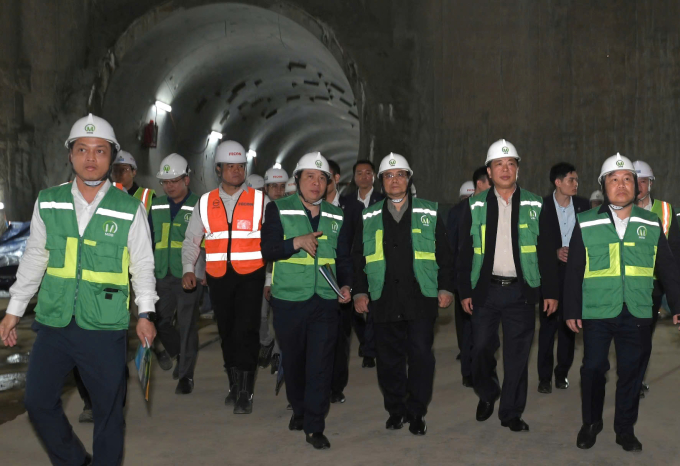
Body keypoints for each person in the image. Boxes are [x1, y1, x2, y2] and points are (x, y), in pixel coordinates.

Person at [0, 114, 158, 465]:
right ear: (70, 154)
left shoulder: (129, 208)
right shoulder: (48, 201)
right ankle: (75, 461)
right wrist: (14, 310)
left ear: (111, 156)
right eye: (82, 149)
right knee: (37, 402)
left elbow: (142, 265)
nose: (90, 157)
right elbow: (35, 258)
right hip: (54, 322)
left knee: (108, 413)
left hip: (104, 326)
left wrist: (146, 314)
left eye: (100, 150)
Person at [564, 153, 680, 452]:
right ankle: (591, 423)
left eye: (627, 179)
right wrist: (572, 309)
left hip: (638, 309)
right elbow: (574, 269)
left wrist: (677, 305)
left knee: (632, 372)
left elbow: (667, 267)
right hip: (597, 310)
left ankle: (625, 429)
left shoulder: (650, 222)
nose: (621, 184)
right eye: (614, 179)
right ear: (604, 186)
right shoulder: (586, 221)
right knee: (592, 368)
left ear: (636, 185)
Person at [458, 139, 558, 432]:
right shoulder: (474, 205)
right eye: (498, 164)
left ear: (518, 169)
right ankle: (488, 392)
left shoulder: (535, 204)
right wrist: (464, 291)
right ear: (489, 172)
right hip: (485, 291)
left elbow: (546, 251)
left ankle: (511, 412)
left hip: (520, 292)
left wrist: (551, 292)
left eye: (510, 164)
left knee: (517, 356)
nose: (505, 169)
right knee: (480, 349)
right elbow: (464, 252)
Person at [354, 153, 455, 436]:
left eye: (400, 174)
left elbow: (445, 254)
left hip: (420, 297)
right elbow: (357, 257)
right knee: (388, 361)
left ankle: (417, 412)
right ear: (381, 181)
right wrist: (360, 291)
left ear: (409, 179)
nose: (394, 180)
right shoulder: (369, 216)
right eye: (388, 175)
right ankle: (396, 410)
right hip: (383, 298)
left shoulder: (429, 212)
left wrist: (445, 287)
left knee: (421, 356)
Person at [261, 152, 352, 450]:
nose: (315, 183)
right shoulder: (278, 209)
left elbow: (344, 258)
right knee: (295, 362)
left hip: (325, 301)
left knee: (320, 365)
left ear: (328, 183)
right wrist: (295, 243)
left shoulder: (337, 215)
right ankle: (299, 410)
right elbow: (268, 249)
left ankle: (315, 425)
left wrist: (346, 285)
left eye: (321, 178)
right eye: (309, 176)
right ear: (297, 179)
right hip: (289, 300)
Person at [182, 140, 267, 414]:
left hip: (251, 275)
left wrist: (269, 279)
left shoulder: (260, 201)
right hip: (218, 277)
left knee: (247, 330)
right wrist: (188, 268)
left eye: (240, 166)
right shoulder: (205, 202)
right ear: (218, 169)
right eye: (230, 166)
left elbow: (273, 242)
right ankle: (233, 383)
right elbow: (192, 239)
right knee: (227, 331)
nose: (236, 171)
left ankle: (245, 391)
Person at [149, 153, 203, 394]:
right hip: (161, 273)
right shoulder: (156, 205)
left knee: (187, 324)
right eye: (165, 182)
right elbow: (147, 239)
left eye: (174, 181)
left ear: (186, 180)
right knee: (159, 321)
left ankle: (186, 376)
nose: (169, 186)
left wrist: (203, 271)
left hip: (188, 275)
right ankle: (179, 353)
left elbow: (208, 242)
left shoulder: (200, 205)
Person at [536, 163, 590, 394]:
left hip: (575, 275)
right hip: (551, 274)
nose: (575, 184)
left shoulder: (583, 206)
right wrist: (555, 252)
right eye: (571, 180)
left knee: (570, 326)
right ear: (557, 182)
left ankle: (561, 374)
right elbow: (535, 243)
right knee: (548, 327)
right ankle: (544, 378)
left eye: (576, 180)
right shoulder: (541, 207)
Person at [633, 160, 680, 396]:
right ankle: (630, 379)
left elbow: (674, 252)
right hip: (627, 284)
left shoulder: (665, 210)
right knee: (628, 336)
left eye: (643, 181)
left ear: (651, 183)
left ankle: (637, 379)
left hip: (653, 286)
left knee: (644, 336)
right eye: (634, 181)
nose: (638, 186)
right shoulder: (620, 209)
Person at [447, 167, 492, 388]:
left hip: (490, 280)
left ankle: (484, 370)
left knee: (486, 330)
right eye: (490, 183)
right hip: (465, 279)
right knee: (467, 328)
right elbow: (452, 247)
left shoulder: (495, 208)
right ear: (480, 184)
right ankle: (468, 371)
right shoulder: (459, 211)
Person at [339, 160, 384, 368]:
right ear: (354, 177)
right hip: (354, 260)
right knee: (354, 308)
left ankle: (369, 350)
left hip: (377, 260)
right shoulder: (346, 202)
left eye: (368, 173)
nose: (364, 177)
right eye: (359, 173)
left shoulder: (382, 200)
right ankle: (366, 339)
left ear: (373, 176)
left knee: (374, 305)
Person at [258, 166, 289, 371]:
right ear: (266, 188)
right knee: (261, 315)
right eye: (273, 186)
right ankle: (266, 342)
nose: (278, 191)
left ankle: (278, 353)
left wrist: (270, 278)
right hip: (256, 269)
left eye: (281, 186)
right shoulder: (256, 210)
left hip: (279, 270)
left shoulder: (289, 211)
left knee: (279, 315)